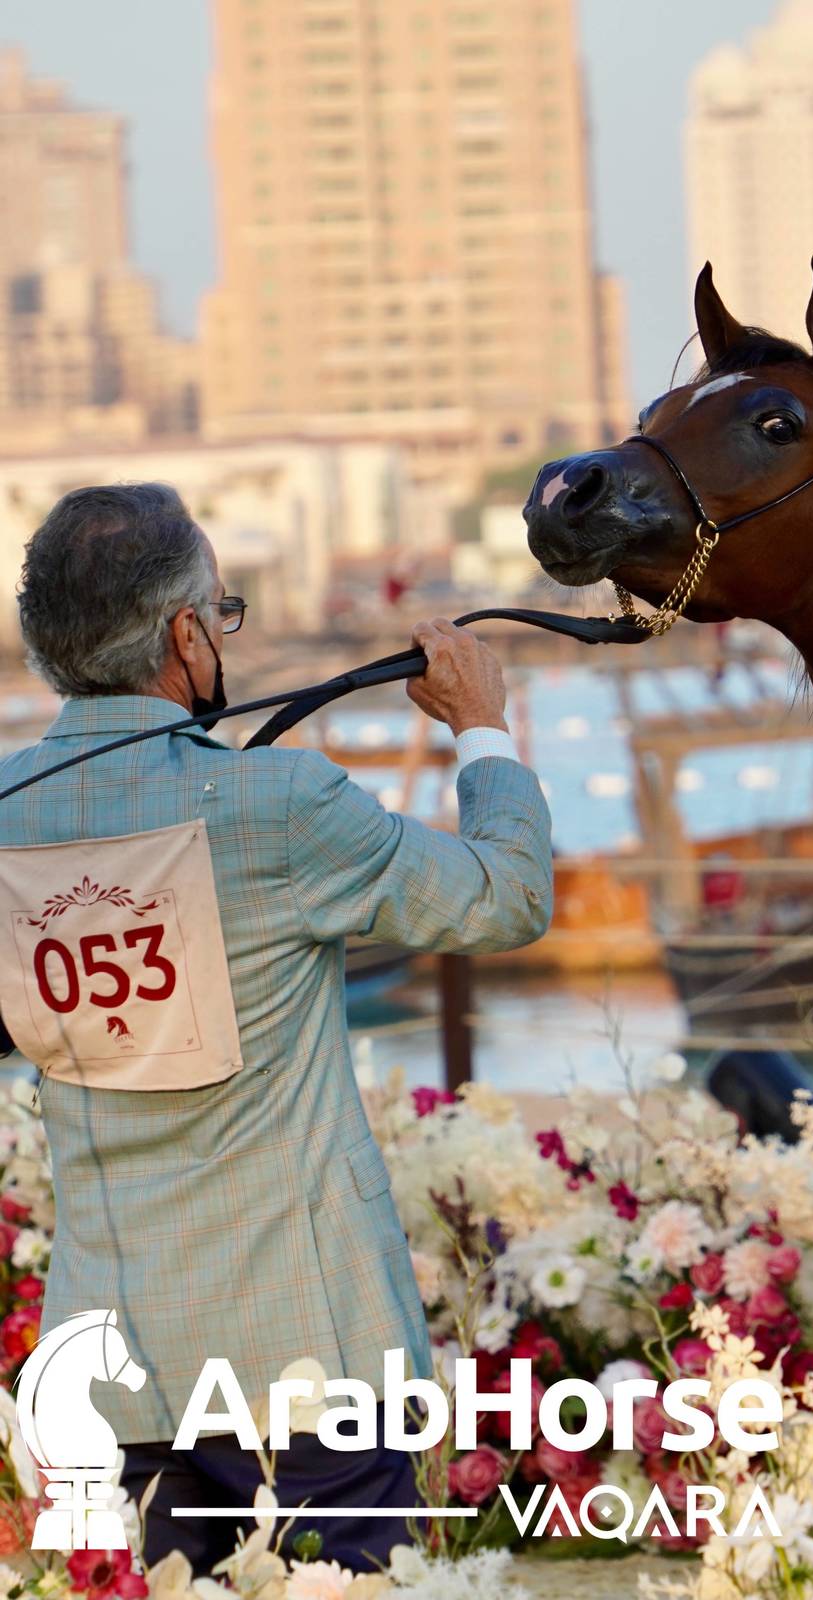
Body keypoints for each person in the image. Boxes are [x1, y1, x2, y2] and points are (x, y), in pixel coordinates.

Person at [0, 484, 553, 1574]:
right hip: (303, 1360)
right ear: (184, 633)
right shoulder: (279, 803)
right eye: (223, 613)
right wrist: (482, 728)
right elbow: (505, 896)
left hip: (113, 1372)